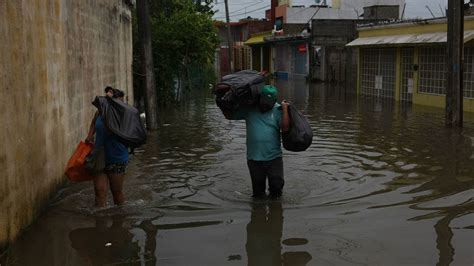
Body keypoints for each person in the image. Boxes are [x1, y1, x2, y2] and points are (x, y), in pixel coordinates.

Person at [224, 85, 290, 199]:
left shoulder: (278, 109)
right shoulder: (249, 109)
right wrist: (222, 100)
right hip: (254, 159)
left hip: (274, 158)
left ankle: (275, 212)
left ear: (274, 101)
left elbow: (285, 128)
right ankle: (258, 213)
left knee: (277, 188)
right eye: (263, 102)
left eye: (268, 103)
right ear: (259, 98)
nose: (265, 105)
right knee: (258, 193)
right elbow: (229, 115)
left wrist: (285, 110)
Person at [86, 87, 129, 207]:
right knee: (99, 192)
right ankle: (100, 221)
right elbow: (94, 123)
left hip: (117, 157)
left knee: (116, 192)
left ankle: (119, 220)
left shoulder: (123, 114)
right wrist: (89, 136)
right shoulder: (100, 111)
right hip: (100, 155)